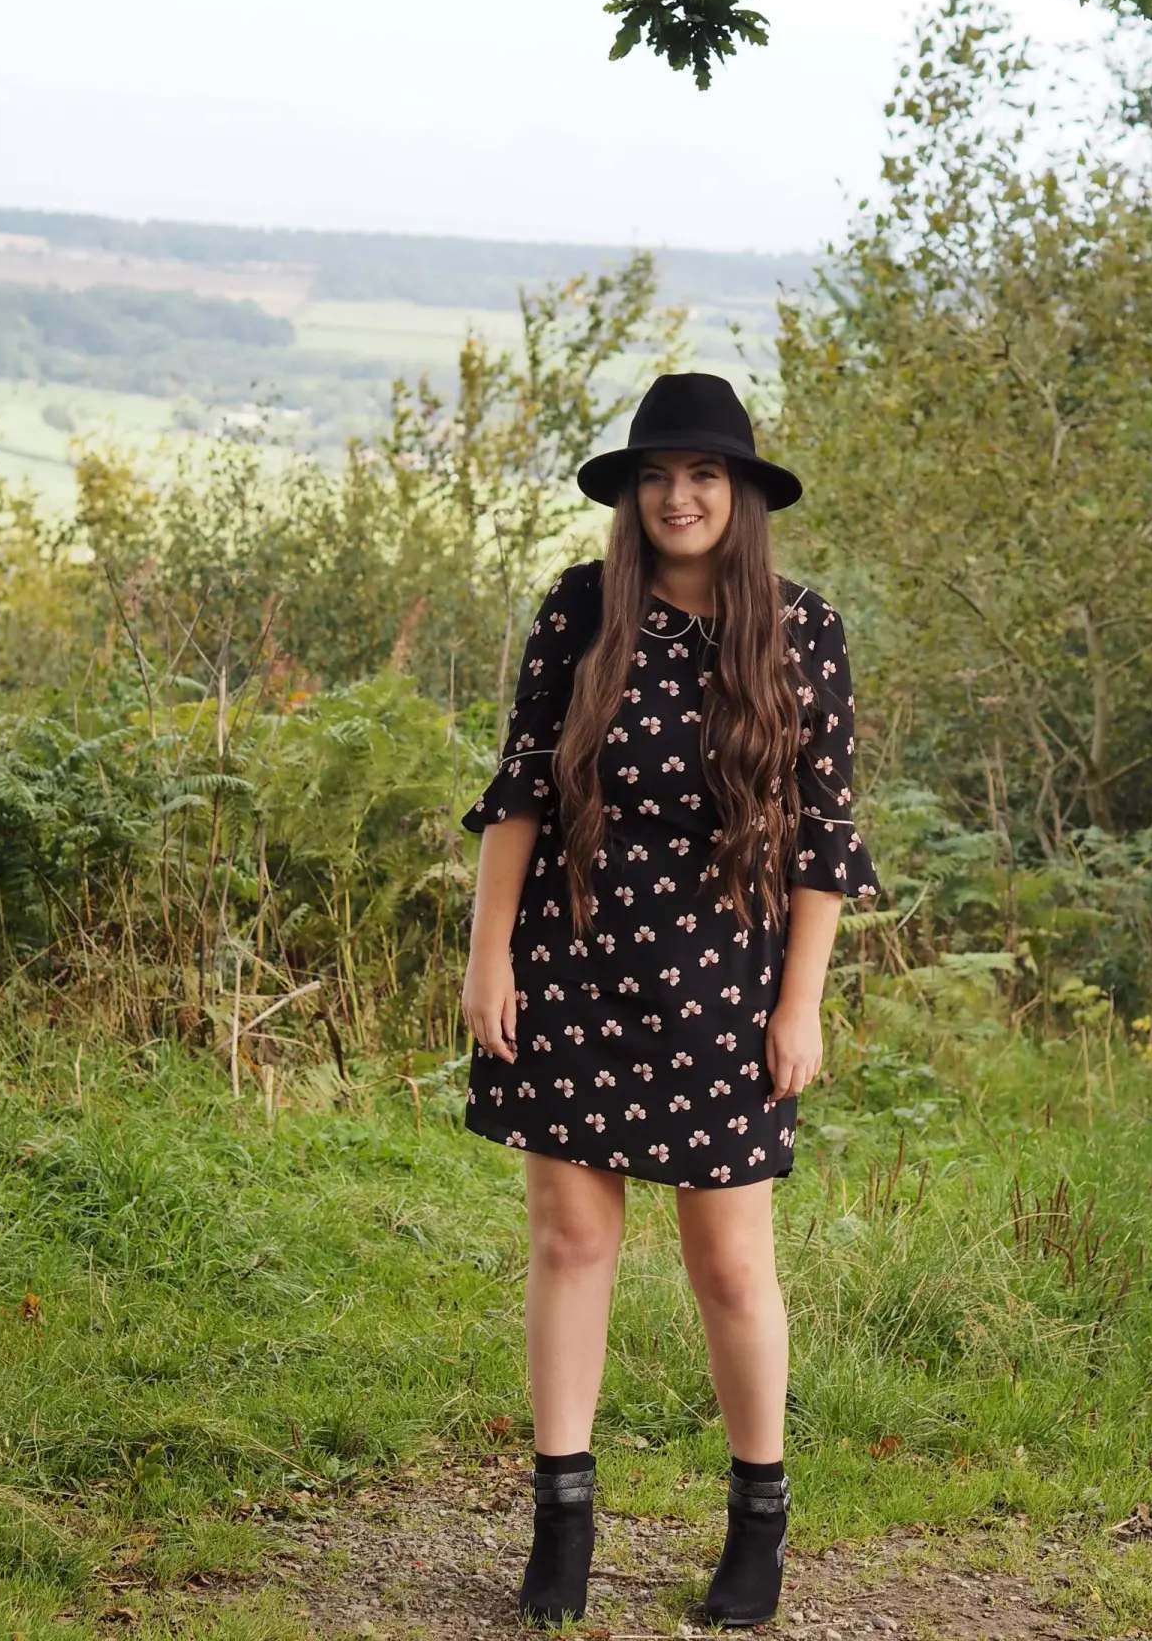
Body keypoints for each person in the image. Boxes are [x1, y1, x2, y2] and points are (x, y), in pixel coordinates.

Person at [458, 371, 881, 1628]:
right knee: (569, 1240)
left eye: (702, 475)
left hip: (727, 978)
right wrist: (490, 956)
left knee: (731, 1262)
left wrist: (800, 1003)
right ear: (631, 494)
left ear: (742, 493)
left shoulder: (802, 631)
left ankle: (758, 1525)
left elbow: (824, 836)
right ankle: (563, 1528)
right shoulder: (580, 608)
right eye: (656, 476)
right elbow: (522, 787)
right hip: (574, 958)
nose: (678, 497)